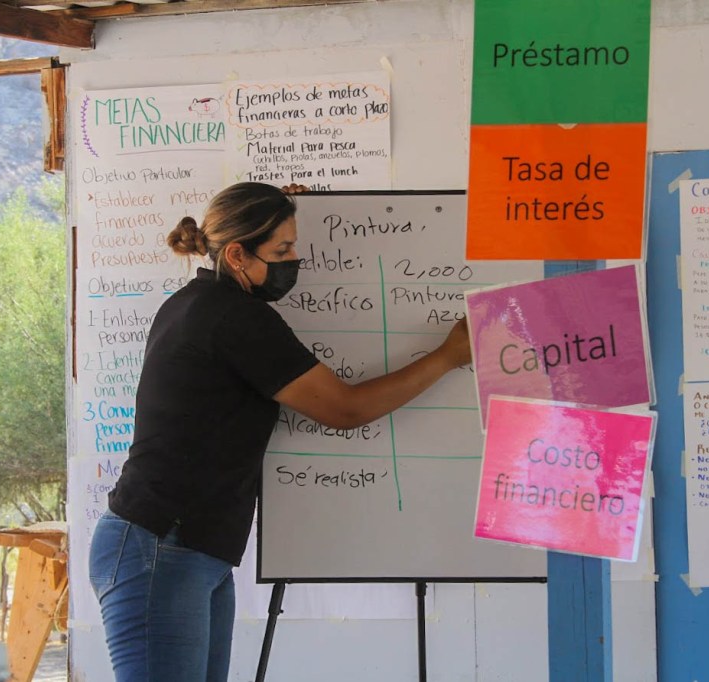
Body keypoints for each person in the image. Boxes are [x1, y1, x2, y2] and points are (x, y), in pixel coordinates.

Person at [88, 181, 471, 682]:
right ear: (237, 254)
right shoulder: (233, 318)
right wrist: (447, 357)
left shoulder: (195, 302)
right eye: (282, 250)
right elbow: (345, 409)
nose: (295, 260)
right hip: (161, 547)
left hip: (186, 548)